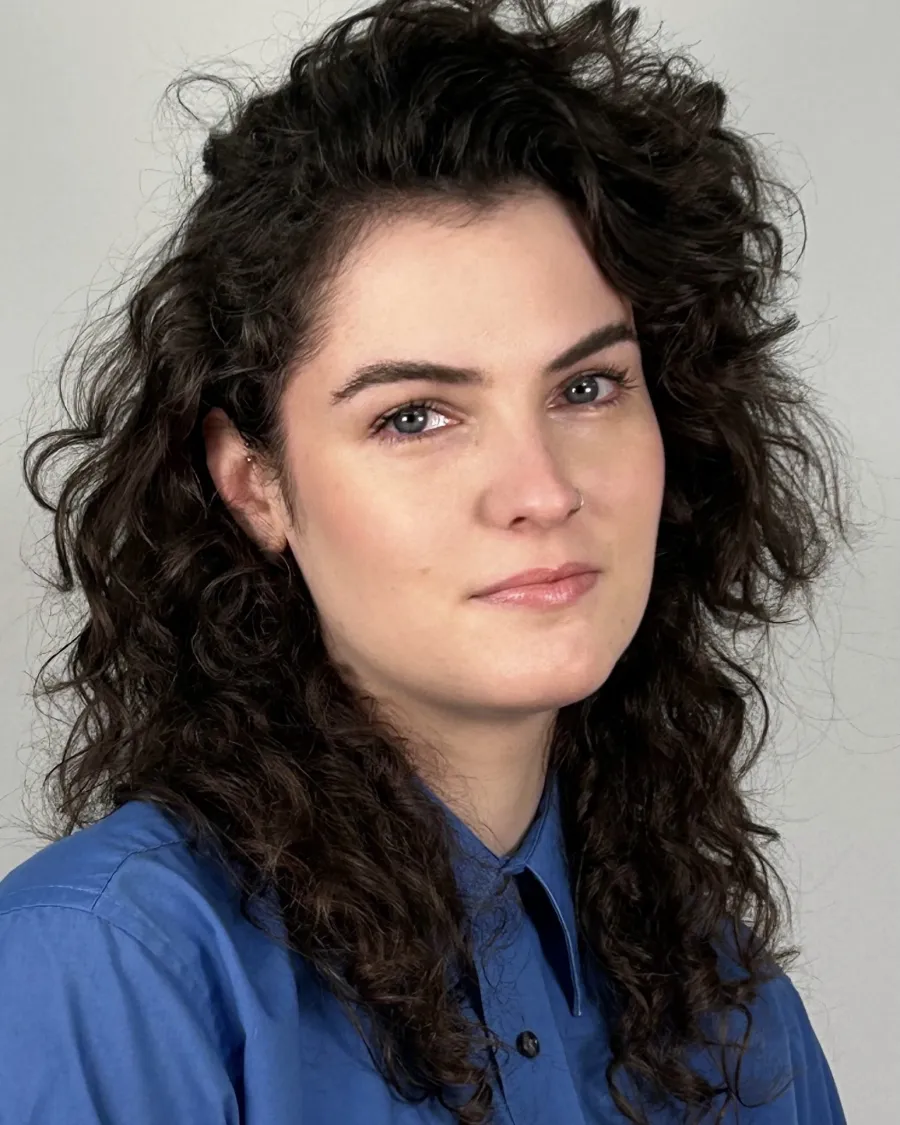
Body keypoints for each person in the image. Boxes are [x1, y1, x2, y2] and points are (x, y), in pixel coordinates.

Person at [0, 0, 852, 1121]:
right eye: (415, 416)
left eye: (587, 387)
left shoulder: (724, 997)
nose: (542, 490)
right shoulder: (103, 970)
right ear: (257, 483)